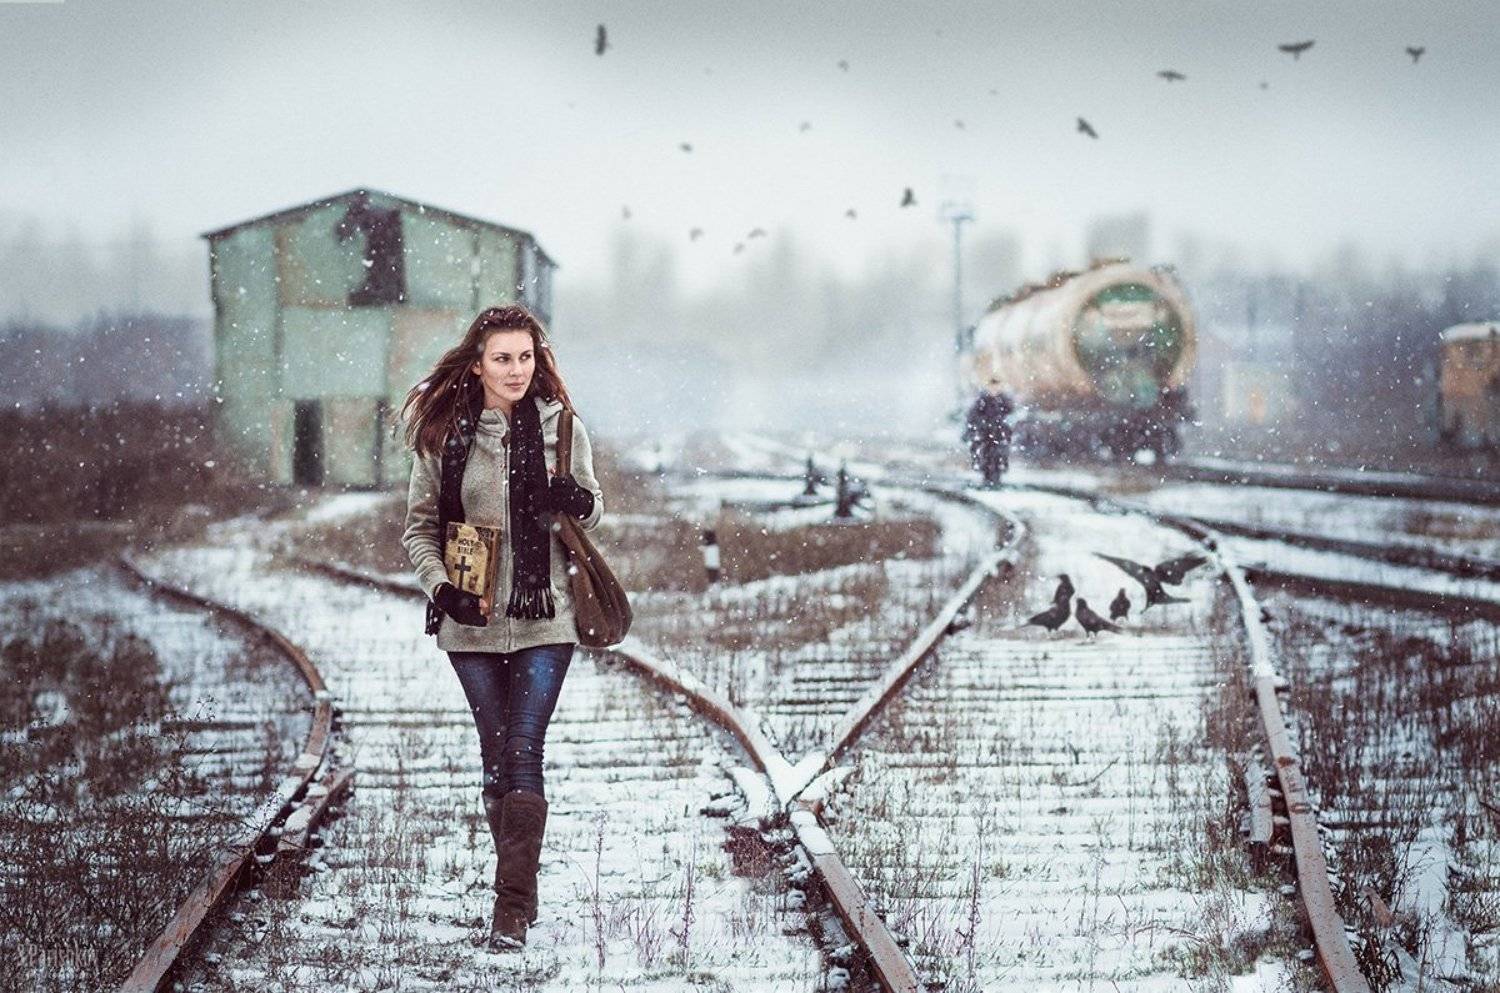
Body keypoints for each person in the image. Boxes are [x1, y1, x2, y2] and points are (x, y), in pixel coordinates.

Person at [399, 304, 604, 951]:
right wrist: (442, 589)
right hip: (472, 624)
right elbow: (419, 528)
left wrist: (577, 500)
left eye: (526, 357)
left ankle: (511, 907)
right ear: (479, 364)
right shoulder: (444, 435)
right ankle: (520, 884)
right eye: (503, 358)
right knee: (496, 760)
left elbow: (594, 511)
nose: (517, 370)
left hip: (548, 617)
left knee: (522, 749)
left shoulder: (563, 427)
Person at [962, 388, 1013, 488]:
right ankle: (989, 479)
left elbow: (1010, 415)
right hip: (986, 434)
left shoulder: (1003, 401)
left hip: (998, 434)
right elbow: (973, 416)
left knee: (998, 457)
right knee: (987, 457)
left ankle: (995, 479)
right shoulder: (983, 401)